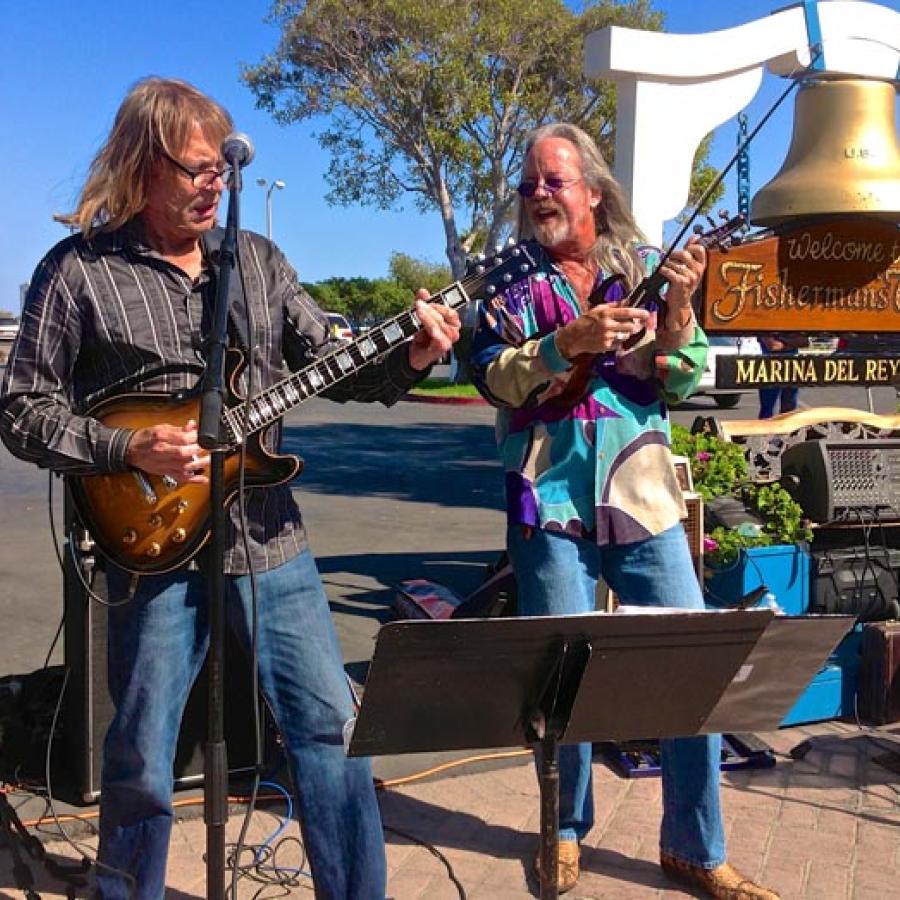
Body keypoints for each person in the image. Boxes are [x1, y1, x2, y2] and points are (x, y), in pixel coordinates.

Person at [0, 77, 459, 899]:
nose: (217, 183)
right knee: (140, 748)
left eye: (224, 168)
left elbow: (334, 366)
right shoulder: (77, 273)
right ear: (144, 166)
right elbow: (23, 411)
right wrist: (127, 448)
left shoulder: (256, 261)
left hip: (268, 538)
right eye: (197, 168)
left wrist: (415, 354)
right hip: (151, 550)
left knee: (330, 727)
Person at [470, 123, 779, 900]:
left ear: (594, 192)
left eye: (554, 181)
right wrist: (560, 344)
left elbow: (687, 373)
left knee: (689, 669)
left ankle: (694, 847)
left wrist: (679, 303)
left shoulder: (639, 269)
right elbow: (490, 376)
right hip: (548, 502)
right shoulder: (507, 280)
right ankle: (563, 832)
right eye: (529, 184)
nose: (538, 194)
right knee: (563, 683)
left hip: (643, 499)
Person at [757, 334, 808, 418]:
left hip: (792, 365)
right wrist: (792, 343)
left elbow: (805, 342)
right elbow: (772, 346)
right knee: (767, 410)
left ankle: (787, 430)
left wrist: (782, 343)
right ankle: (766, 430)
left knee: (790, 410)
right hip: (770, 365)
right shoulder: (764, 323)